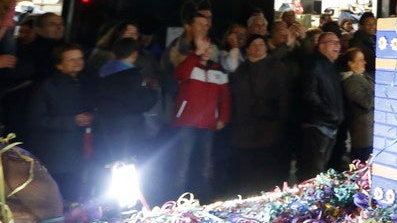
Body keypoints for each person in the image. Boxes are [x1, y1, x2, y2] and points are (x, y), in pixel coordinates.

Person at [170, 16, 231, 203]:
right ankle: (176, 201)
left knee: (206, 165)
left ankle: (205, 199)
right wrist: (195, 54)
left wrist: (223, 118)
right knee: (182, 164)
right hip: (186, 123)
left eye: (209, 47)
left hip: (208, 124)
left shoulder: (218, 70)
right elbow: (179, 75)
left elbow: (225, 97)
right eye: (203, 47)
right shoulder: (189, 65)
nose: (206, 50)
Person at [26, 42, 96, 205]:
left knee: (77, 194)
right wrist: (72, 121)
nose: (77, 63)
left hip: (82, 149)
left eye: (80, 58)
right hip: (58, 154)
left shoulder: (86, 82)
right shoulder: (47, 87)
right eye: (71, 60)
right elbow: (35, 119)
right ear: (59, 65)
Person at [228, 34, 290, 197]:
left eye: (261, 44)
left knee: (268, 166)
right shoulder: (241, 69)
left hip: (269, 126)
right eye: (254, 45)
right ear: (248, 49)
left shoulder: (276, 66)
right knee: (248, 167)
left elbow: (284, 96)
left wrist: (280, 119)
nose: (258, 47)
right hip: (245, 127)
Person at [94, 37, 159, 169]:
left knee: (108, 165)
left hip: (104, 127)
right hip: (128, 130)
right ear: (134, 54)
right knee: (128, 166)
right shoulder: (132, 76)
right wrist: (152, 91)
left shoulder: (102, 72)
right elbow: (143, 103)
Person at [297, 30, 346, 181]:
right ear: (321, 46)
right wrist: (329, 113)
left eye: (338, 43)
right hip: (317, 125)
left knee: (320, 170)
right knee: (312, 172)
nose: (337, 46)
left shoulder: (331, 66)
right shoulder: (314, 64)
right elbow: (309, 94)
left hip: (329, 124)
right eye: (333, 43)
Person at [341, 47, 374, 164]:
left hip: (368, 132)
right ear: (351, 64)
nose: (364, 62)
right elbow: (367, 102)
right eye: (360, 60)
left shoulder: (363, 76)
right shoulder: (351, 82)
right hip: (362, 134)